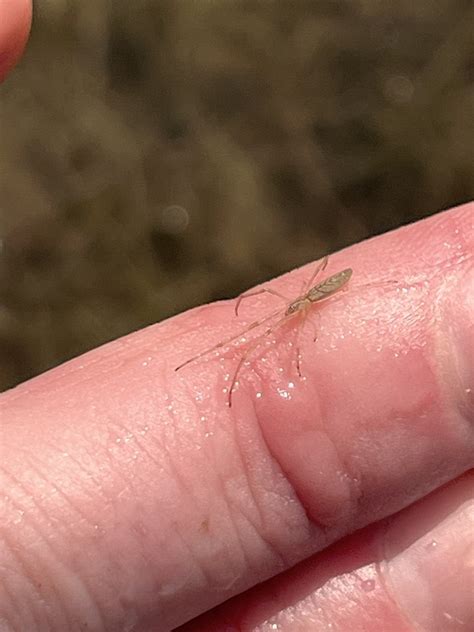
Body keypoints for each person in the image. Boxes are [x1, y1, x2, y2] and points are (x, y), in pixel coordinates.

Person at [1, 3, 472, 630]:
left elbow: (308, 311)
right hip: (307, 301)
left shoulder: (308, 309)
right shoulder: (283, 315)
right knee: (267, 331)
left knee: (306, 317)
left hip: (330, 291)